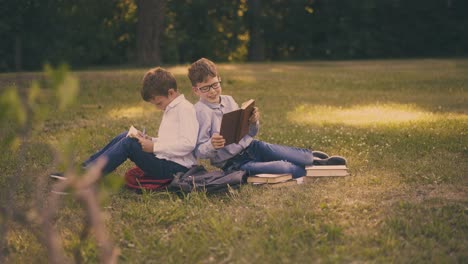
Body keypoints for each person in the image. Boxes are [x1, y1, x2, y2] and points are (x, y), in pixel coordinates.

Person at [188, 58, 346, 179]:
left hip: (253, 146)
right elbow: (199, 151)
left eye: (215, 85)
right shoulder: (199, 112)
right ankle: (316, 168)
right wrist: (212, 144)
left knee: (293, 154)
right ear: (196, 90)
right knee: (286, 168)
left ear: (219, 79)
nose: (212, 91)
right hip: (234, 163)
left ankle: (312, 159)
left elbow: (250, 134)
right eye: (205, 88)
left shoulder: (229, 100)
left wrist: (252, 122)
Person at [50, 67, 199, 180]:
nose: (158, 107)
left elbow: (188, 144)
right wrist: (150, 140)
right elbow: (172, 141)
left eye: (158, 103)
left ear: (171, 93)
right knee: (126, 136)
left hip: (176, 169)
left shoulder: (185, 109)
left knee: (129, 144)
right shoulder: (172, 107)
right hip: (166, 160)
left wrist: (154, 147)